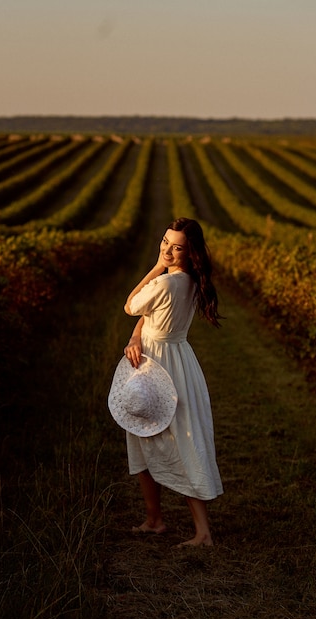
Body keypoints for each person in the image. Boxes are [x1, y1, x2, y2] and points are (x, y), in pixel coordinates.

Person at [122, 217, 223, 547]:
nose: (166, 249)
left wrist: (155, 268)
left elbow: (131, 306)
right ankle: (156, 521)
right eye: (164, 242)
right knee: (172, 436)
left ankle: (195, 530)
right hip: (178, 360)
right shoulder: (191, 281)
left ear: (188, 251)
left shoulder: (164, 283)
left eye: (175, 246)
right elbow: (146, 319)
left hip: (157, 365)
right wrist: (137, 335)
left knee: (160, 436)